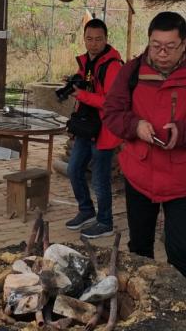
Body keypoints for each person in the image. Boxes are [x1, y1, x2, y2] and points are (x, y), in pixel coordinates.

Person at [104, 11, 186, 286]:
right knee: (140, 249)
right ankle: (142, 302)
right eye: (156, 45)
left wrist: (183, 132)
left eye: (170, 46)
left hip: (182, 179)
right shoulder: (132, 71)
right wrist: (135, 126)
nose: (162, 53)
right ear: (149, 40)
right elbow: (112, 112)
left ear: (184, 45)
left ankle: (184, 307)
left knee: (181, 253)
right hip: (140, 174)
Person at [64, 18, 123, 240]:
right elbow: (89, 88)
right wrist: (75, 85)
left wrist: (82, 95)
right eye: (89, 39)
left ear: (106, 39)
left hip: (104, 130)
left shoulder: (113, 65)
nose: (93, 44)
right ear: (84, 39)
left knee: (99, 179)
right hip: (86, 127)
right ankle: (87, 211)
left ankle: (105, 222)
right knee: (73, 170)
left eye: (98, 39)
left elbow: (110, 102)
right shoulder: (87, 62)